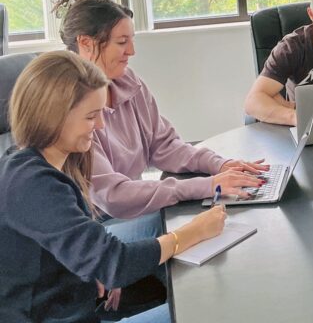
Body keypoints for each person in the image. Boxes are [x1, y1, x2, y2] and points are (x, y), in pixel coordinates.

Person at [0, 51, 227, 322]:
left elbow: (81, 246)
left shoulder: (50, 163)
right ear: (54, 116)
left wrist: (91, 271)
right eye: (91, 116)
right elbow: (114, 264)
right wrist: (192, 232)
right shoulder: (32, 183)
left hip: (73, 301)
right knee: (205, 313)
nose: (100, 125)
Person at [52, 0, 266, 221]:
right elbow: (113, 197)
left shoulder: (127, 82)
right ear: (86, 43)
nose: (131, 51)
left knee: (226, 214)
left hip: (135, 208)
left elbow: (164, 145)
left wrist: (220, 165)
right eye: (122, 42)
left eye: (131, 40)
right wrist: (207, 185)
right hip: (102, 224)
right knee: (209, 224)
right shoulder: (70, 108)